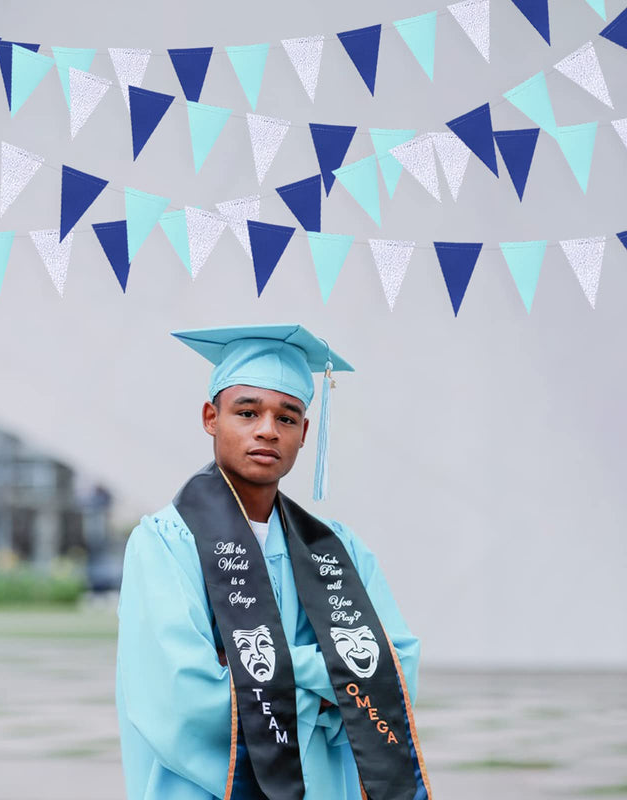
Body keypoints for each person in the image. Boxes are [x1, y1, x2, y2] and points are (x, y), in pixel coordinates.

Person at [116, 324, 430, 800]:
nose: (267, 429)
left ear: (304, 434)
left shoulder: (337, 549)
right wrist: (330, 686)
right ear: (210, 417)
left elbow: (393, 670)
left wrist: (264, 670)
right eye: (247, 412)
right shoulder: (164, 543)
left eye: (287, 418)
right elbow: (180, 696)